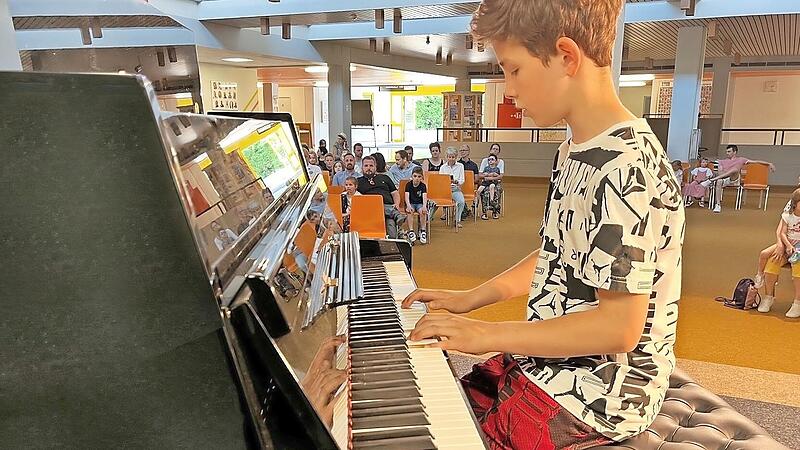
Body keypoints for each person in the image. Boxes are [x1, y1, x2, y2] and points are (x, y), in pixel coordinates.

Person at [403, 1, 684, 448]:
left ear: (566, 57)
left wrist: (488, 333)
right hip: (554, 362)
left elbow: (619, 328)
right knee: (433, 407)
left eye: (513, 70)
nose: (509, 91)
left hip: (601, 393)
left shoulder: (624, 168)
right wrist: (474, 297)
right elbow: (559, 253)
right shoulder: (574, 148)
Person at [758, 188, 800, 318]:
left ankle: (797, 302)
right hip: (789, 246)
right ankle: (768, 297)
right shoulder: (789, 212)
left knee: (797, 264)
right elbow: (781, 231)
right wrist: (782, 245)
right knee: (773, 261)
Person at [707, 144, 774, 213]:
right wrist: (726, 173)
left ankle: (712, 180)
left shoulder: (741, 159)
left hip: (735, 179)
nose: (727, 153)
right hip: (725, 179)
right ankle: (718, 205)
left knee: (735, 169)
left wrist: (769, 163)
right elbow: (720, 173)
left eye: (729, 151)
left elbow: (755, 162)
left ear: (734, 152)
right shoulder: (722, 161)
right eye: (726, 152)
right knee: (719, 181)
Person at [357, 155, 406, 239]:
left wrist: (397, 205)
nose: (368, 168)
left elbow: (395, 193)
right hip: (370, 212)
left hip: (388, 212)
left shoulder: (385, 178)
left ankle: (393, 214)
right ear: (362, 168)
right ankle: (395, 214)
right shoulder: (358, 182)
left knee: (392, 235)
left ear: (375, 167)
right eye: (366, 166)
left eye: (371, 165)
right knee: (379, 207)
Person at [437, 147, 467, 228]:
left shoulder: (460, 166)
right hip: (445, 190)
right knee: (434, 202)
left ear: (456, 157)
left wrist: (457, 182)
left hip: (455, 189)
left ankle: (457, 220)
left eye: (453, 157)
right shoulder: (443, 167)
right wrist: (447, 183)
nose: (451, 159)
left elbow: (462, 180)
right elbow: (440, 181)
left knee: (461, 202)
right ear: (446, 157)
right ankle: (427, 220)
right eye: (449, 157)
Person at [404, 167, 429, 245]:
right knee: (410, 212)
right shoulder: (408, 185)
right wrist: (408, 206)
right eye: (415, 176)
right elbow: (406, 197)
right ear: (412, 176)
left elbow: (424, 197)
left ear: (422, 177)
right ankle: (411, 231)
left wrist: (424, 206)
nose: (417, 178)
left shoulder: (423, 186)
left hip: (419, 204)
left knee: (423, 212)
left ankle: (423, 231)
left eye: (419, 176)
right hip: (411, 203)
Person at [478, 154, 503, 220]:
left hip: (493, 183)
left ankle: (494, 209)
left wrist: (490, 177)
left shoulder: (497, 169)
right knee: (482, 191)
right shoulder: (486, 168)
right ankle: (483, 210)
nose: (490, 161)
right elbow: (482, 176)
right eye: (489, 160)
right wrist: (488, 176)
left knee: (495, 190)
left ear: (496, 161)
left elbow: (499, 177)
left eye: (492, 159)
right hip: (486, 183)